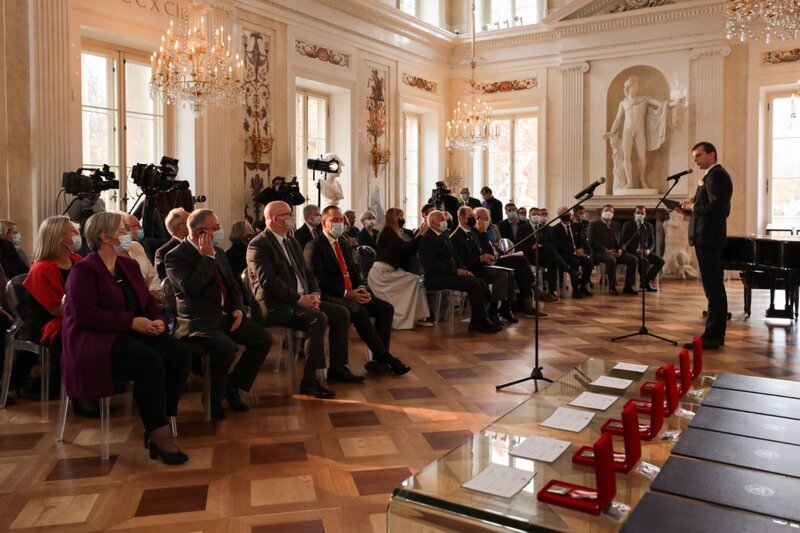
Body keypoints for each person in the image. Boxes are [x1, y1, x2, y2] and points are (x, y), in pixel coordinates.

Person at [62, 212, 192, 464]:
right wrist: (131, 322)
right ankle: (157, 432)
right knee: (148, 361)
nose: (128, 234)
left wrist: (158, 322)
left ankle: (162, 417)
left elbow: (146, 302)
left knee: (179, 353)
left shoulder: (128, 265)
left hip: (133, 331)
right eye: (122, 230)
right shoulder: (84, 270)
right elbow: (86, 316)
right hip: (95, 340)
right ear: (105, 237)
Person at [165, 209, 272, 419]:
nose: (220, 231)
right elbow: (191, 288)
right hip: (197, 322)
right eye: (216, 228)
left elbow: (233, 286)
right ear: (201, 232)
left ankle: (232, 387)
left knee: (262, 339)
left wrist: (238, 309)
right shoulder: (176, 257)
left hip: (224, 317)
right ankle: (212, 399)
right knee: (225, 348)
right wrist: (206, 259)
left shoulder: (219, 252)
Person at [248, 201, 361, 399]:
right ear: (275, 219)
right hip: (274, 305)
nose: (292, 217)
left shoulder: (290, 241)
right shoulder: (259, 244)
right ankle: (310, 381)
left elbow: (307, 274)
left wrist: (314, 295)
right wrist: (300, 299)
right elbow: (269, 283)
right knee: (317, 319)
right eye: (288, 214)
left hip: (300, 299)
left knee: (341, 313)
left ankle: (337, 367)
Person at [308, 206, 410, 375]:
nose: (339, 224)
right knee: (358, 311)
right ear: (324, 223)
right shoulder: (315, 246)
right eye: (335, 220)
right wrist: (348, 294)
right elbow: (318, 281)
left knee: (385, 308)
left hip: (352, 293)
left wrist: (361, 289)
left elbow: (355, 272)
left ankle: (378, 360)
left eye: (341, 220)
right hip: (331, 296)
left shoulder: (343, 243)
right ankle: (386, 357)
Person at [12, 217, 80, 401]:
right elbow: (55, 309)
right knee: (80, 336)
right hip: (43, 323)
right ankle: (63, 385)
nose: (77, 234)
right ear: (58, 237)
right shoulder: (42, 268)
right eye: (72, 231)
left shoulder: (76, 260)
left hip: (71, 316)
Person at [678, 141, 733, 350]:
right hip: (706, 237)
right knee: (713, 288)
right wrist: (689, 211)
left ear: (712, 154)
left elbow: (718, 208)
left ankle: (712, 336)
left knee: (714, 289)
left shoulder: (717, 175)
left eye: (699, 156)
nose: (695, 160)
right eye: (694, 157)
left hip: (708, 239)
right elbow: (708, 208)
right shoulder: (712, 175)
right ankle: (714, 335)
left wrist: (693, 206)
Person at [419, 210, 500, 334]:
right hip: (437, 277)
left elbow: (455, 257)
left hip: (450, 274)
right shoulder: (427, 239)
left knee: (480, 282)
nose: (445, 222)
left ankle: (478, 320)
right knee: (473, 284)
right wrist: (456, 271)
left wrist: (464, 270)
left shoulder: (444, 235)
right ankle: (480, 320)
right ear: (433, 222)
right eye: (442, 220)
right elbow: (432, 265)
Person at [603, 75, 680, 189]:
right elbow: (618, 119)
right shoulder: (623, 103)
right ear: (629, 87)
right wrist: (612, 131)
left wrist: (676, 102)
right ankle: (630, 182)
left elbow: (661, 104)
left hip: (640, 131)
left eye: (637, 85)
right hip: (627, 131)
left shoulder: (644, 99)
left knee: (642, 157)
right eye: (634, 85)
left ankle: (642, 179)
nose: (637, 87)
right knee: (626, 157)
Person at [450, 206, 515, 324]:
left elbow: (481, 251)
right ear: (461, 218)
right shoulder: (456, 237)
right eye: (471, 217)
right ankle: (493, 311)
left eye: (474, 217)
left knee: (509, 273)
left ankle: (505, 308)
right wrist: (481, 258)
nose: (474, 219)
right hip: (470, 270)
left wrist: (486, 257)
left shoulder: (472, 233)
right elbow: (462, 262)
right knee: (501, 275)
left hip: (480, 266)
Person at [369, 208, 430, 329]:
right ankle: (402, 319)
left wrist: (419, 236)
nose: (403, 219)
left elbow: (409, 251)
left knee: (416, 281)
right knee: (414, 281)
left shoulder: (395, 233)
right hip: (381, 274)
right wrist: (421, 234)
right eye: (400, 216)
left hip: (389, 272)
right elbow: (406, 247)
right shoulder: (387, 233)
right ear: (394, 218)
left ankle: (419, 317)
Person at [474, 207, 540, 317]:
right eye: (485, 218)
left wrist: (502, 253)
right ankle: (533, 290)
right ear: (477, 219)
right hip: (486, 264)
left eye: (488, 218)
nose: (488, 221)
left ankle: (512, 307)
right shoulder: (476, 232)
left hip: (496, 257)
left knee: (520, 268)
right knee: (521, 261)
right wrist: (483, 232)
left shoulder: (492, 228)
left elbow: (497, 244)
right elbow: (483, 250)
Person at [588, 205, 638, 295]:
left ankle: (628, 286)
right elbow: (592, 242)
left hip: (616, 252)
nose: (608, 213)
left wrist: (621, 250)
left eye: (611, 211)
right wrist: (606, 251)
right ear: (601, 213)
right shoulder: (593, 224)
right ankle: (612, 287)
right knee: (611, 260)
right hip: (600, 253)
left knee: (633, 259)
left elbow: (622, 241)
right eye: (606, 210)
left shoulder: (616, 225)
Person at [120, 212, 162, 304]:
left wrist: (154, 291)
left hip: (150, 301)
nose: (128, 233)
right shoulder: (109, 256)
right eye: (123, 230)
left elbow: (152, 275)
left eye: (128, 228)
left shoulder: (137, 246)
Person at [552, 207, 594, 298]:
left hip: (577, 252)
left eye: (568, 212)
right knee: (575, 262)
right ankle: (575, 290)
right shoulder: (555, 229)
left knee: (589, 262)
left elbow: (583, 241)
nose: (567, 215)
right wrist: (574, 252)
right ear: (559, 216)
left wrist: (582, 249)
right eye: (564, 213)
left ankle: (583, 286)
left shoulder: (575, 226)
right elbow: (558, 246)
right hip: (564, 255)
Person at [621, 205, 663, 291]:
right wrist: (637, 250)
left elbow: (652, 242)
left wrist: (649, 250)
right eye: (638, 213)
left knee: (660, 261)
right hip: (632, 251)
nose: (640, 214)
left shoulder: (649, 226)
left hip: (646, 251)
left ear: (645, 214)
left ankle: (646, 281)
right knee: (644, 261)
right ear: (634, 214)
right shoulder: (627, 225)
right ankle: (643, 284)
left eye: (642, 213)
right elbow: (624, 242)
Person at [155, 207, 189, 280]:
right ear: (178, 227)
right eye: (189, 222)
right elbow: (164, 281)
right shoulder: (163, 252)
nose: (193, 225)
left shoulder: (199, 245)